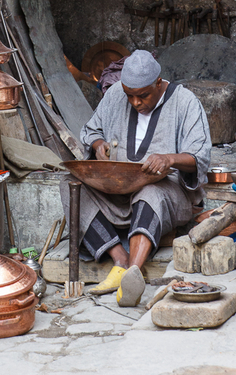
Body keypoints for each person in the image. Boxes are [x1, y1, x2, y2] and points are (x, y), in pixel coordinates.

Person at [60, 49, 211, 307]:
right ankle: (119, 259)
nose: (135, 103)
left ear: (159, 83)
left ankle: (133, 271)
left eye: (143, 96)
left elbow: (200, 157)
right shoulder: (116, 93)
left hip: (167, 190)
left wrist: (170, 159)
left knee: (149, 192)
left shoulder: (185, 102)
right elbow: (91, 130)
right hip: (118, 186)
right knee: (70, 184)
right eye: (130, 96)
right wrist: (98, 145)